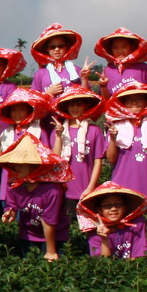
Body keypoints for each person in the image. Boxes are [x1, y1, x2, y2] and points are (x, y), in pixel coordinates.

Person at [0, 133, 73, 260]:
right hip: (28, 234)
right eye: (16, 162)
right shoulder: (14, 184)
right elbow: (12, 205)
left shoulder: (52, 190)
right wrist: (10, 212)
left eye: (23, 163)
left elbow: (49, 221)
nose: (17, 166)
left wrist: (51, 251)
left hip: (55, 235)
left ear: (35, 166)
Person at [104, 82, 147, 205]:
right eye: (129, 100)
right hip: (121, 187)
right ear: (123, 104)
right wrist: (113, 139)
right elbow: (111, 159)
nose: (134, 102)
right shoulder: (115, 127)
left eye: (139, 99)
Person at [51, 86, 107, 216]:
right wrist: (59, 136)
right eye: (71, 104)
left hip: (87, 188)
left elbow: (97, 161)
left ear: (86, 106)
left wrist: (91, 187)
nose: (75, 108)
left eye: (79, 104)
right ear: (66, 107)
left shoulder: (94, 131)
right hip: (64, 189)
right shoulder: (59, 130)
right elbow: (55, 158)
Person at [76, 183, 147, 259]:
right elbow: (103, 264)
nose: (113, 209)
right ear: (99, 210)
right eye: (107, 205)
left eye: (118, 204)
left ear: (125, 207)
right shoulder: (94, 230)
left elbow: (139, 256)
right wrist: (104, 239)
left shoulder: (136, 223)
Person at [30, 24, 88, 96]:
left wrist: (84, 79)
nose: (57, 49)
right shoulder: (40, 74)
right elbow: (34, 99)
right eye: (52, 47)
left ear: (67, 48)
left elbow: (86, 96)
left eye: (61, 46)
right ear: (46, 50)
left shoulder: (77, 70)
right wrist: (48, 93)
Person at [93, 29, 147, 94]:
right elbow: (105, 100)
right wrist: (103, 85)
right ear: (111, 50)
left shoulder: (143, 68)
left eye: (124, 46)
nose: (120, 51)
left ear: (132, 47)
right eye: (115, 47)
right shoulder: (107, 71)